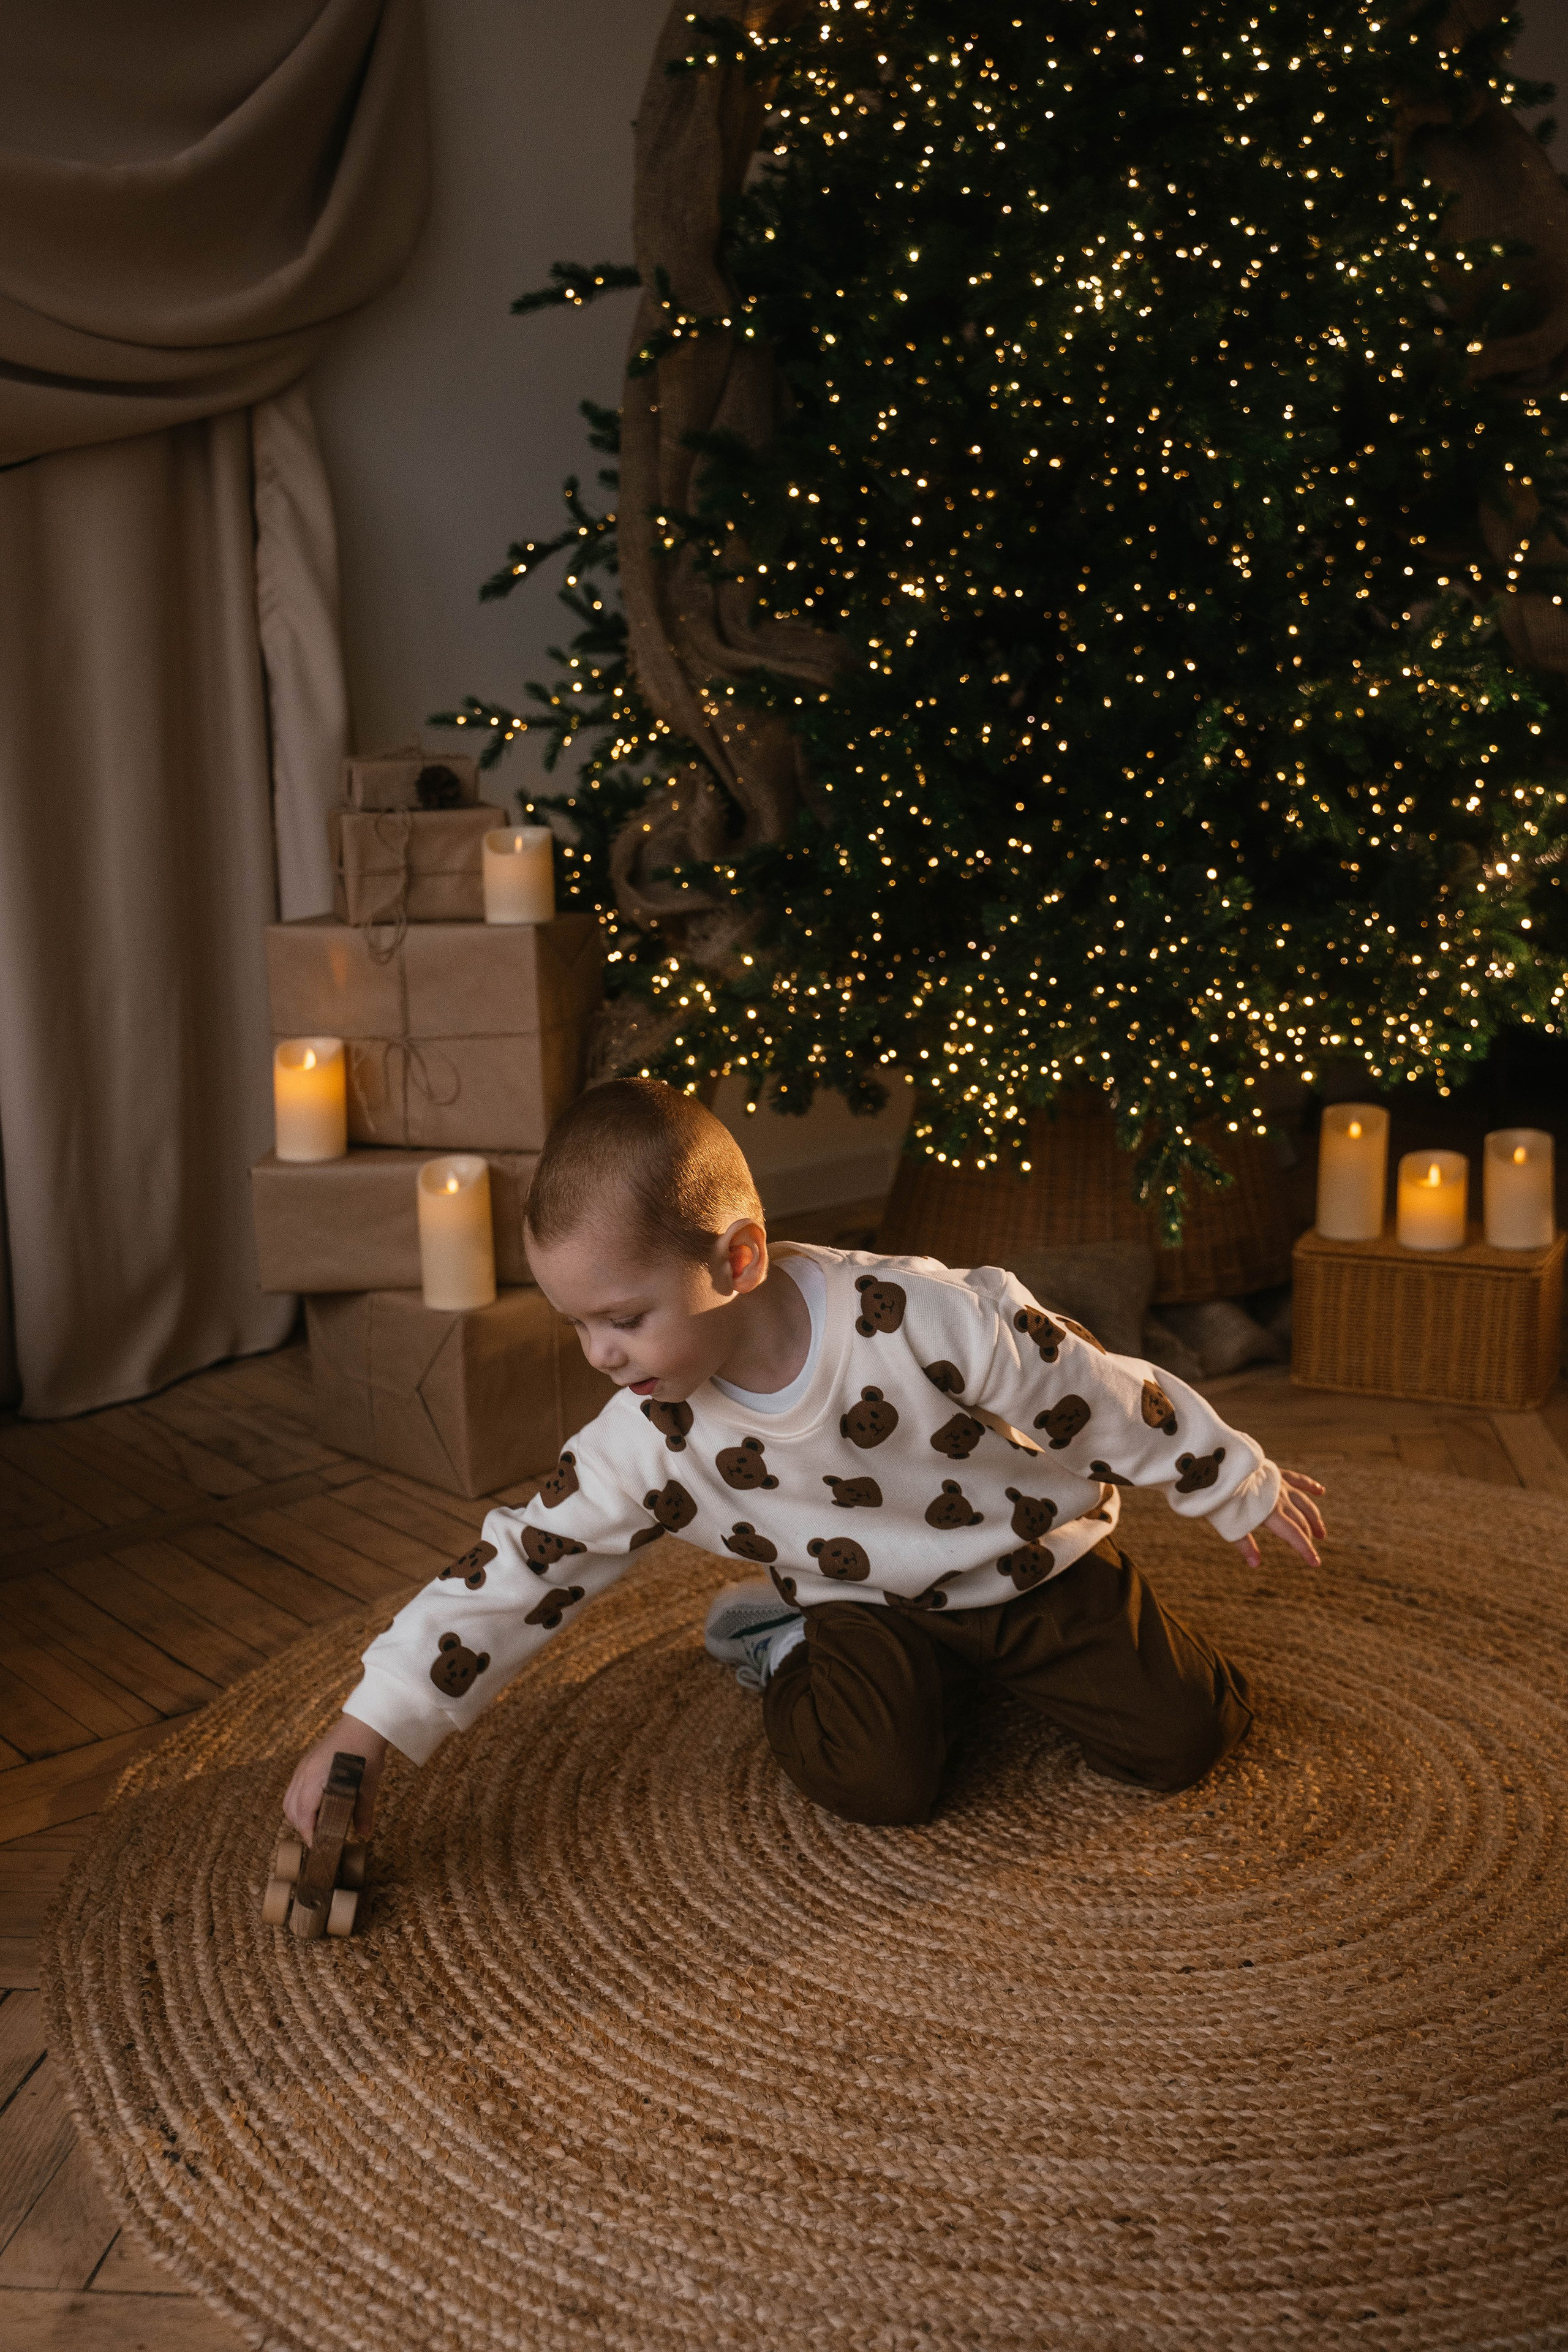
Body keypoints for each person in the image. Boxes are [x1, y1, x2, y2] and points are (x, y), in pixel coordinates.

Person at [285, 1079, 1325, 1841]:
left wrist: (1233, 1480)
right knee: (879, 1783)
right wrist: (368, 1727)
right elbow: (523, 1565)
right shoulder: (645, 1434)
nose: (600, 1356)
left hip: (1031, 1565)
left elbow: (1088, 1391)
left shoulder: (925, 1319)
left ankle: (979, 1671)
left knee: (1188, 1738)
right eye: (578, 1326)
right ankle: (782, 1646)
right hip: (860, 1599)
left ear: (736, 1261)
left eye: (624, 1319)